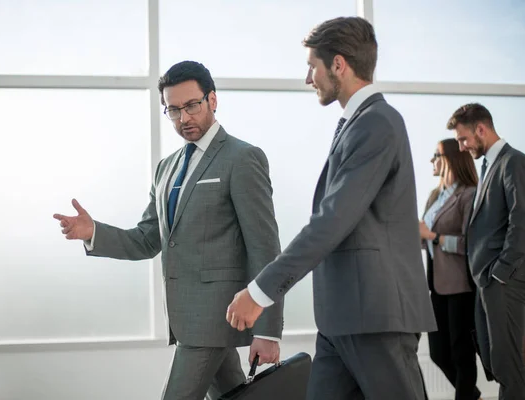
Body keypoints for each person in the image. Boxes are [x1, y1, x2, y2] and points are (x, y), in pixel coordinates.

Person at [225, 16, 437, 399]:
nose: (309, 78)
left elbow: (331, 221)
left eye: (312, 66)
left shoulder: (378, 123)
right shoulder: (357, 123)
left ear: (338, 64)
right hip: (341, 319)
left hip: (375, 317)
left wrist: (260, 292)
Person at [53, 61, 284, 400]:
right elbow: (147, 240)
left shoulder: (242, 158)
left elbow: (264, 247)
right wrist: (92, 231)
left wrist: (268, 331)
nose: (184, 118)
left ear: (213, 100)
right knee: (234, 393)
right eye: (173, 110)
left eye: (192, 105)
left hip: (215, 320)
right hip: (186, 318)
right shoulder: (166, 168)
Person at [448, 103, 525, 400]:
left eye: (463, 139)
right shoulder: (488, 166)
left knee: (511, 370)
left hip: (503, 282)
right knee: (499, 364)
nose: (462, 146)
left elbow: (521, 222)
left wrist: (501, 274)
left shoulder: (513, 162)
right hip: (488, 283)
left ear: (481, 129)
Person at [419, 138, 481, 400]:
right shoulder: (436, 195)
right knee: (437, 352)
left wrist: (433, 237)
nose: (432, 160)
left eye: (436, 155)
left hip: (460, 286)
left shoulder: (469, 194)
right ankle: (472, 395)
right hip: (436, 284)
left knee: (461, 353)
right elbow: (426, 238)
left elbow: (471, 243)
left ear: (452, 159)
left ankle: (467, 396)